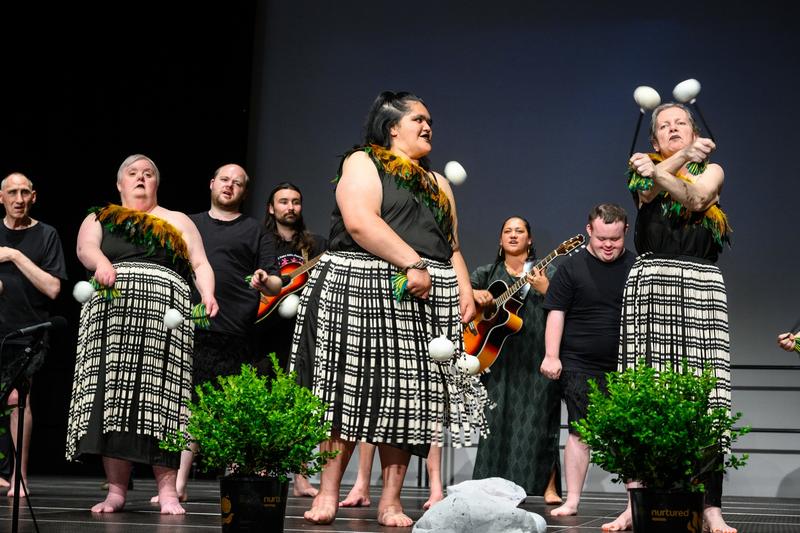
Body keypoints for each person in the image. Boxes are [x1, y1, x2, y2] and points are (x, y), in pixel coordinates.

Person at [282, 91, 488, 527]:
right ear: (392, 127)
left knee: (409, 403)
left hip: (427, 295)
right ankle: (329, 492)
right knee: (344, 395)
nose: (428, 126)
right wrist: (411, 262)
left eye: (431, 119)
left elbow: (450, 246)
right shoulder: (362, 161)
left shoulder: (440, 184)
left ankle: (391, 500)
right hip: (362, 284)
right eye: (419, 119)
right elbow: (359, 220)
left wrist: (465, 289)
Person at [65, 154, 218, 515]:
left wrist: (208, 293)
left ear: (156, 184)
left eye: (148, 174)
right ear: (120, 184)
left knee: (163, 403)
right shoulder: (100, 216)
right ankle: (116, 491)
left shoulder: (177, 220)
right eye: (132, 174)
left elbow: (199, 263)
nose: (140, 178)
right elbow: (85, 248)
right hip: (112, 317)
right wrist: (101, 263)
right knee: (112, 401)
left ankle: (167, 492)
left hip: (165, 320)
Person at [606, 103, 734, 532]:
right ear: (654, 139)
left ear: (695, 132)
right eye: (664, 126)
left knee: (707, 395)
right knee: (646, 388)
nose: (673, 129)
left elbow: (696, 198)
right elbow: (645, 194)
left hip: (701, 284)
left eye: (681, 124)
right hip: (652, 283)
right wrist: (669, 165)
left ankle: (711, 507)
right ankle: (634, 501)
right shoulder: (642, 174)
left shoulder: (711, 172)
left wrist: (657, 170)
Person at [148, 163, 281, 504]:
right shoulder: (188, 224)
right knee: (186, 409)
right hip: (193, 329)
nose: (229, 186)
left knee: (234, 410)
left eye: (238, 183)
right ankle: (177, 485)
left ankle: (239, 485)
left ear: (244, 192)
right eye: (224, 179)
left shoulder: (256, 231)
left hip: (237, 332)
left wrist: (266, 281)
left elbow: (277, 281)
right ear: (211, 183)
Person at [539, 204, 634, 518]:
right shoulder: (571, 267)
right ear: (589, 231)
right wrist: (551, 356)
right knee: (580, 431)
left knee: (629, 433)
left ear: (625, 233)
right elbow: (556, 312)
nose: (608, 245)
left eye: (616, 239)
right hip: (579, 362)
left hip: (625, 365)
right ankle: (573, 500)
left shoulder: (637, 266)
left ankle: (635, 505)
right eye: (602, 237)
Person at [470, 216, 562, 503]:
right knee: (496, 421)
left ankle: (548, 486)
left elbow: (563, 306)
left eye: (519, 231)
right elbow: (462, 294)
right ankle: (488, 485)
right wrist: (476, 294)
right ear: (500, 240)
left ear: (530, 239)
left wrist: (546, 290)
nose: (513, 235)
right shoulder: (487, 272)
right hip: (497, 356)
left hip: (535, 353)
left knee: (540, 420)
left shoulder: (545, 271)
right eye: (507, 231)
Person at [256, 181, 327, 498]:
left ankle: (300, 476)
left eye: (296, 202)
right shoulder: (260, 242)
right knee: (263, 401)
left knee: (299, 404)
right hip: (262, 332)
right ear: (271, 208)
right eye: (283, 201)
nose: (290, 207)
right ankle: (261, 466)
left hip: (302, 335)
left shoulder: (315, 246)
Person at [0, 173, 67, 498]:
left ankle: (19, 475)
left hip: (27, 331)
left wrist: (14, 256)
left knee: (16, 400)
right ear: (1, 197)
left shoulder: (46, 235)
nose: (18, 198)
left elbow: (53, 288)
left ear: (34, 196)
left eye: (24, 191)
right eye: (12, 192)